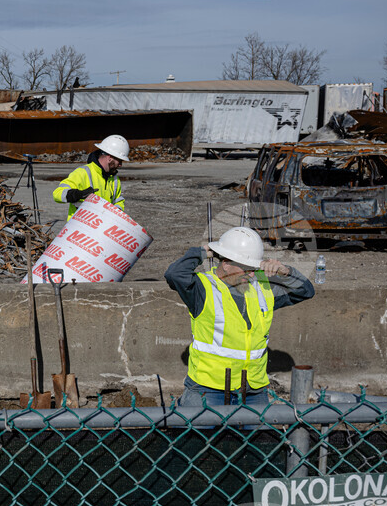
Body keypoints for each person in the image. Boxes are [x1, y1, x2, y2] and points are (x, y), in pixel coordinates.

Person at [164, 227, 314, 408]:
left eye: (253, 268)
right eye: (245, 268)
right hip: (208, 388)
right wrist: (203, 252)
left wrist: (286, 271)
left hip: (253, 389)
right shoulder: (202, 288)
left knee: (255, 437)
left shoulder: (262, 287)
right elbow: (174, 274)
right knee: (202, 437)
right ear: (225, 263)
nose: (251, 274)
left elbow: (306, 291)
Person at [52, 134, 129, 220]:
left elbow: (118, 201)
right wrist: (77, 194)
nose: (121, 165)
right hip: (79, 228)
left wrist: (117, 211)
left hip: (102, 228)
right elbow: (57, 194)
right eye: (119, 160)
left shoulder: (114, 179)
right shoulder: (83, 172)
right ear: (110, 157)